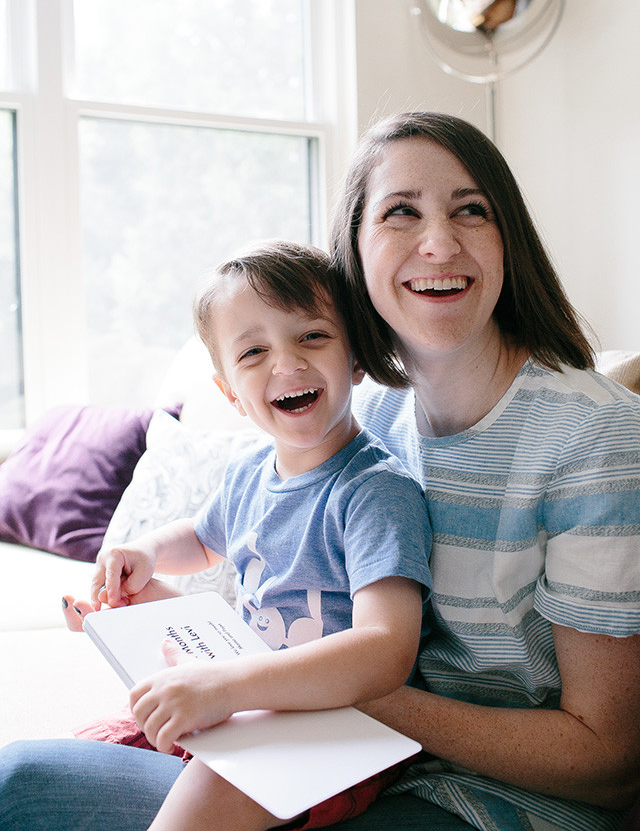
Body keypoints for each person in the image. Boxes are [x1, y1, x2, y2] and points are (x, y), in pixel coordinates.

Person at [1, 112, 640, 831]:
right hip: (318, 740)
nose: (438, 243)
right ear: (353, 252)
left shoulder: (595, 436)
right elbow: (272, 582)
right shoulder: (357, 410)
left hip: (487, 801)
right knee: (18, 780)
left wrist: (302, 682)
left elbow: (608, 764)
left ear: (507, 239)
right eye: (402, 212)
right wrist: (168, 610)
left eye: (471, 210)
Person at [27, 240, 432, 831]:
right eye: (254, 352)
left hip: (335, 727)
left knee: (214, 783)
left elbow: (386, 648)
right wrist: (145, 554)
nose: (286, 364)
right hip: (247, 690)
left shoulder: (374, 492)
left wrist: (225, 687)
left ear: (357, 358)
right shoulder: (249, 473)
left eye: (312, 337)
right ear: (230, 394)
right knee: (113, 729)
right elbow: (204, 537)